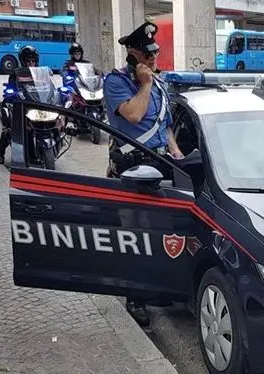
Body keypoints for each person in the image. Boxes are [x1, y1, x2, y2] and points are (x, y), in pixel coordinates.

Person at [103, 21, 184, 327]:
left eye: (155, 53)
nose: (152, 59)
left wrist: (175, 151)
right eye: (147, 54)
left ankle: (157, 287)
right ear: (132, 53)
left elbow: (164, 126)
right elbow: (135, 115)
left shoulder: (161, 84)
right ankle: (136, 296)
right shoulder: (116, 82)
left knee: (162, 232)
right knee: (136, 235)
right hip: (132, 169)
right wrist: (145, 83)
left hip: (161, 165)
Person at [0, 46, 39, 164]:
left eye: (32, 61)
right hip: (20, 104)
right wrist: (12, 94)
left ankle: (34, 154)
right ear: (23, 61)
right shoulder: (15, 74)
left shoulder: (39, 74)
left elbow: (46, 87)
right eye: (28, 61)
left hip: (34, 105)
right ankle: (0, 153)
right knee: (10, 128)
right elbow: (10, 88)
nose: (31, 63)